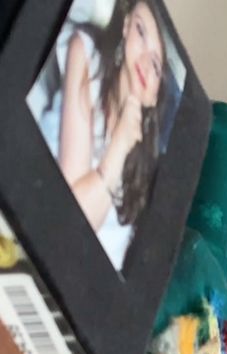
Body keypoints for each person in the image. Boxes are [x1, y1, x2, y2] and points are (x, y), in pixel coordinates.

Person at [29, 0, 170, 271]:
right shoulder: (87, 53)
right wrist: (120, 144)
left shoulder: (147, 151)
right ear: (126, 26)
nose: (144, 61)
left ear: (155, 95)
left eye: (155, 64)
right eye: (141, 32)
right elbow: (71, 223)